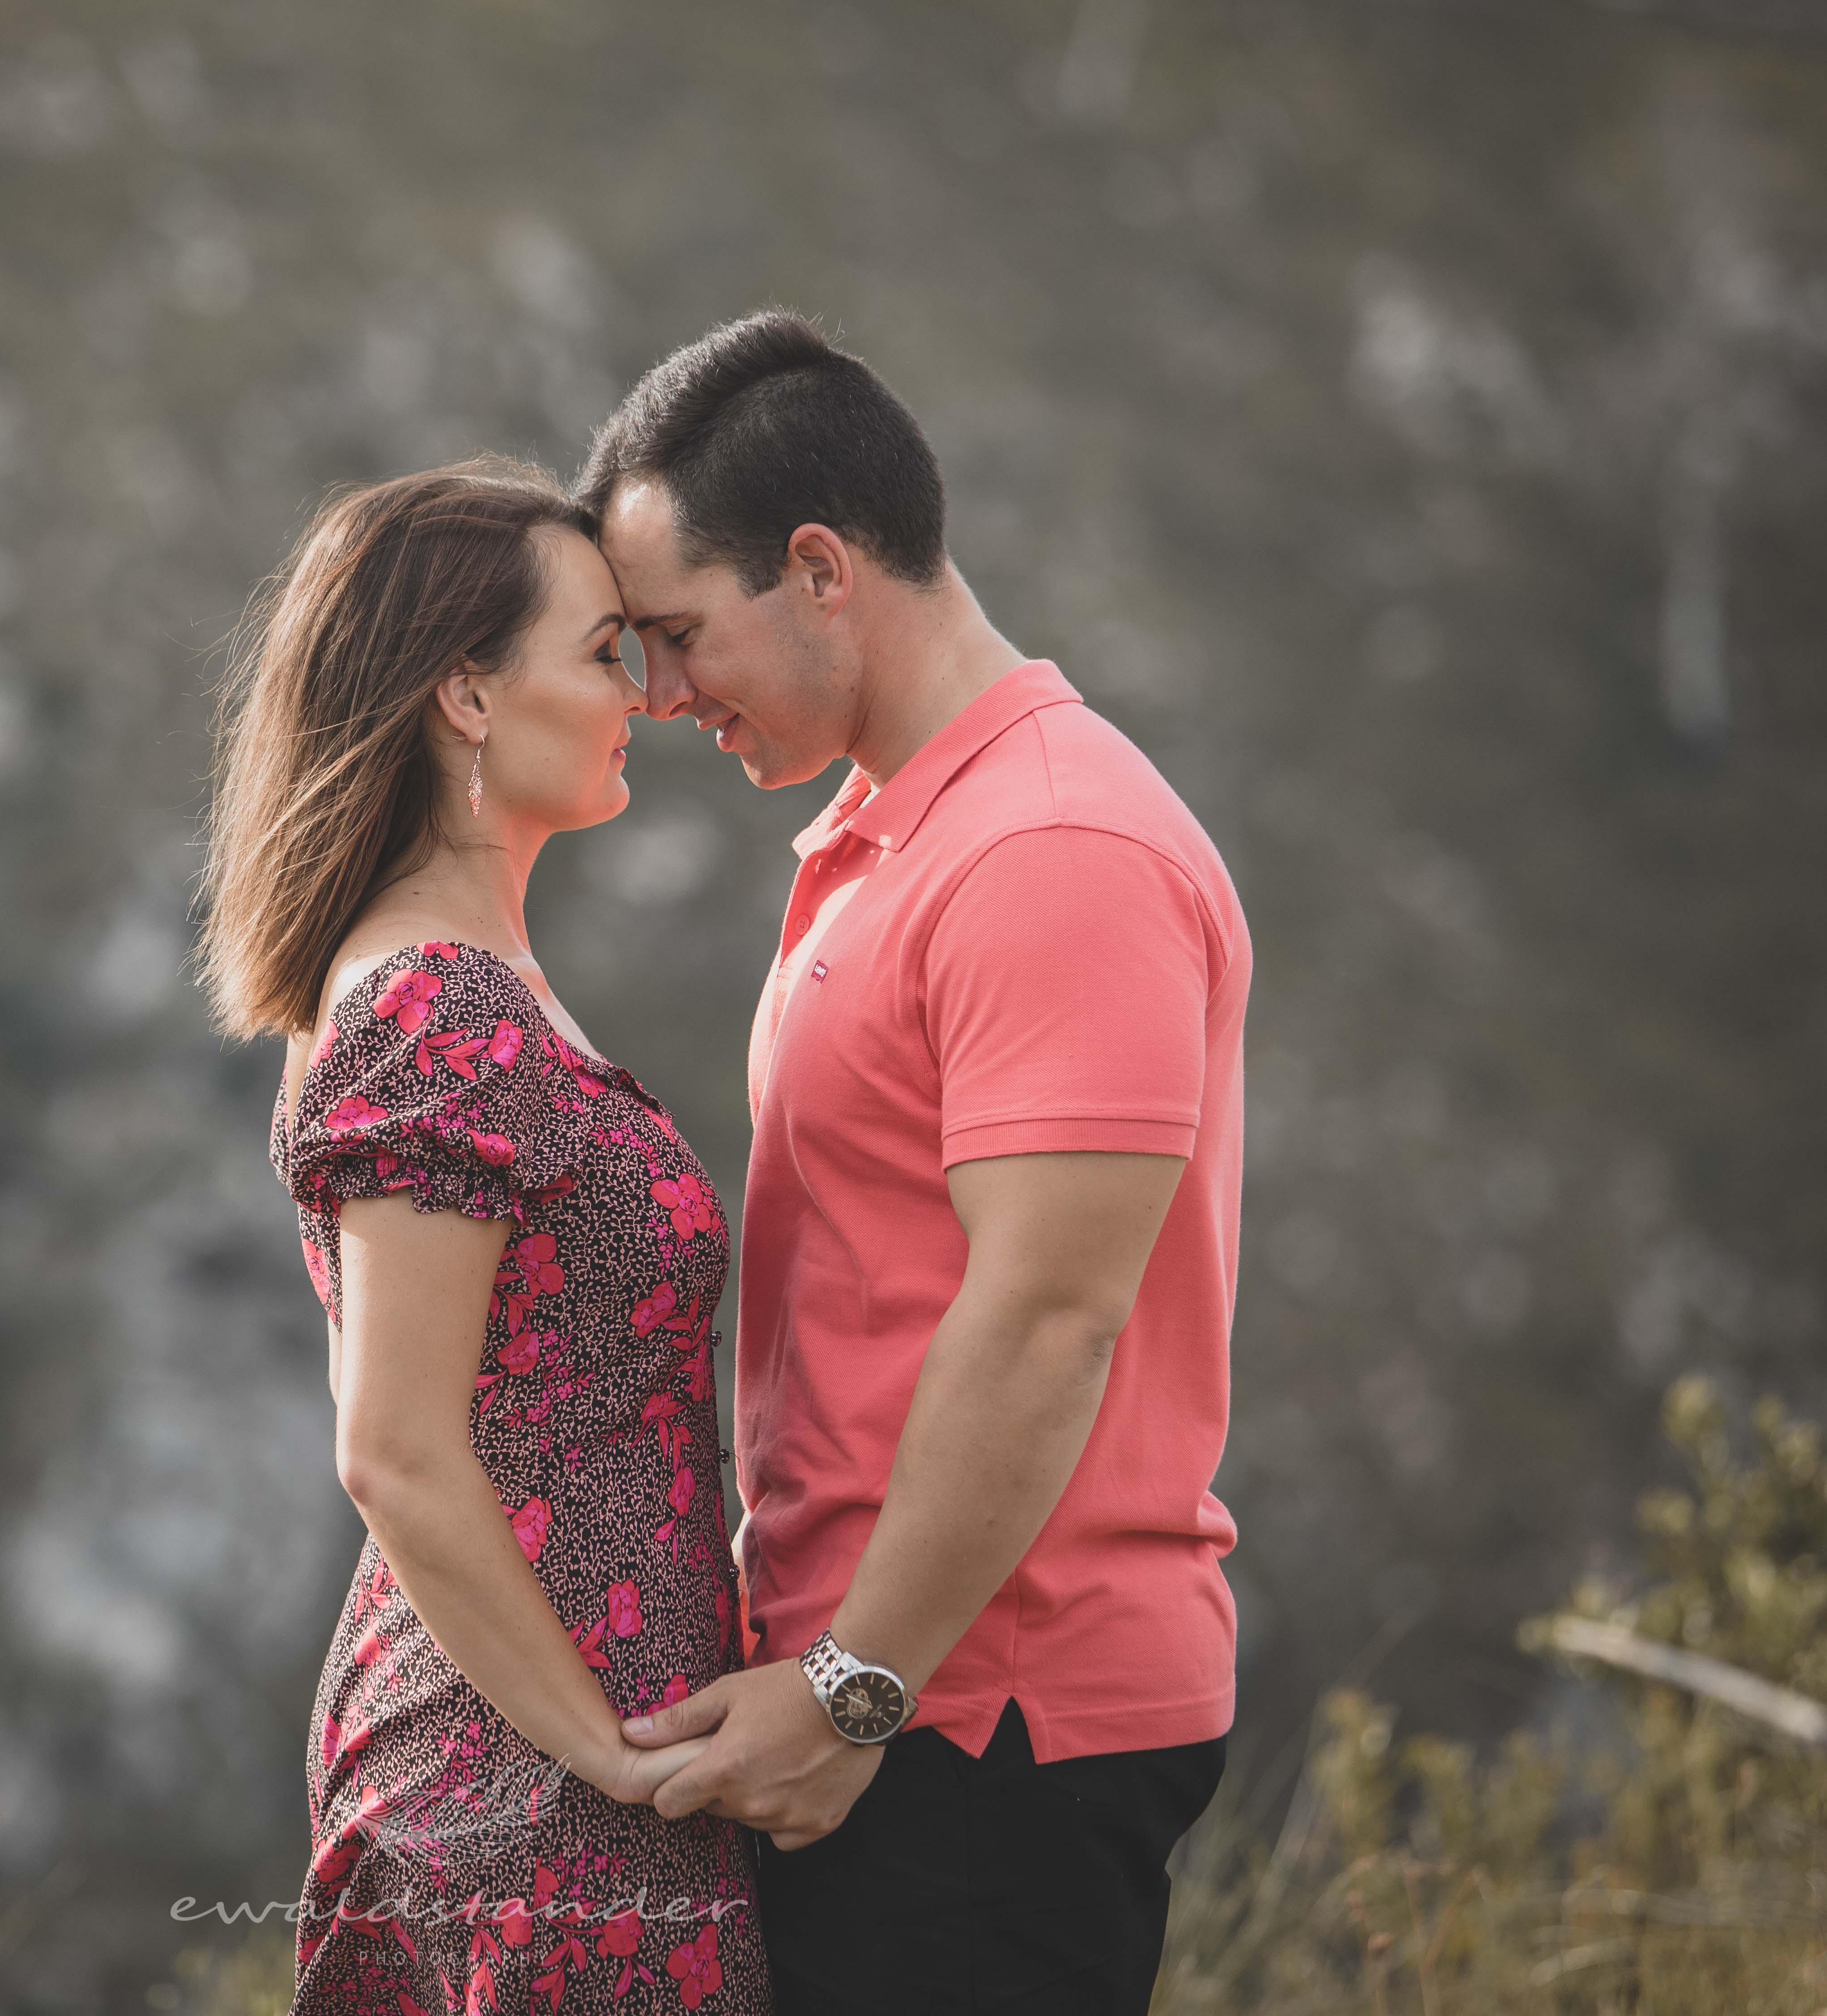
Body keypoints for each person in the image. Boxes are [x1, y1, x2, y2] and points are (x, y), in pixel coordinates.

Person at [578, 313, 1250, 2013]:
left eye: (678, 636)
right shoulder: (897, 834)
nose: (661, 697)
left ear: (820, 570)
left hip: (982, 1721)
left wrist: (853, 1692)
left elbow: (1046, 1322)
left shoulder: (1051, 847)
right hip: (900, 1704)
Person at [196, 458, 774, 2013]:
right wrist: (600, 1750)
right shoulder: (433, 1006)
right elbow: (393, 1447)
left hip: (597, 1735)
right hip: (528, 1777)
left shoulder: (472, 981)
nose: (644, 693)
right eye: (601, 652)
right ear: (466, 693)